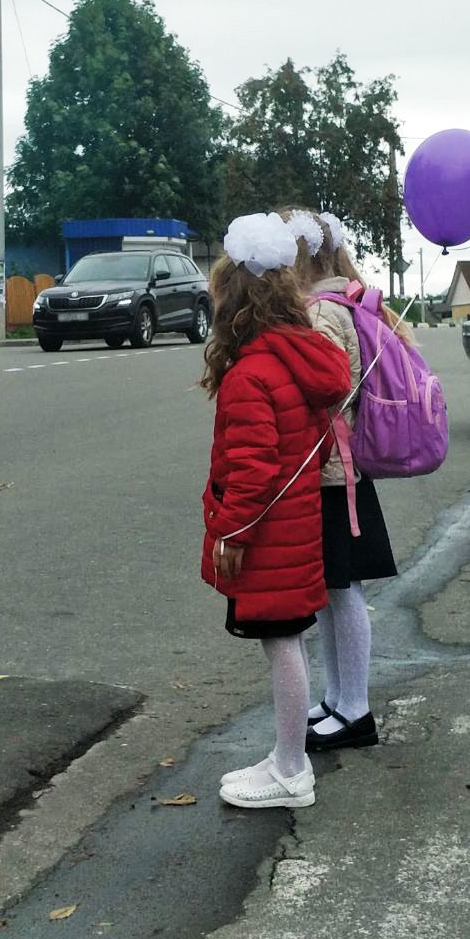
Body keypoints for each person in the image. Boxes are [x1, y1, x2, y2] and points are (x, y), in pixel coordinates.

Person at [200, 212, 352, 808]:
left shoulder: (251, 373)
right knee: (285, 640)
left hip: (267, 537)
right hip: (294, 528)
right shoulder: (297, 356)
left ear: (232, 303)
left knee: (281, 644)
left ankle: (292, 771)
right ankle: (287, 755)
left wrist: (233, 531)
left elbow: (254, 466)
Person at [282, 206, 403, 752]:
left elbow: (328, 387)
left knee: (343, 589)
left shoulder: (322, 312)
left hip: (335, 472)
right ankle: (338, 698)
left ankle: (355, 708)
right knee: (334, 589)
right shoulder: (342, 300)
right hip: (339, 467)